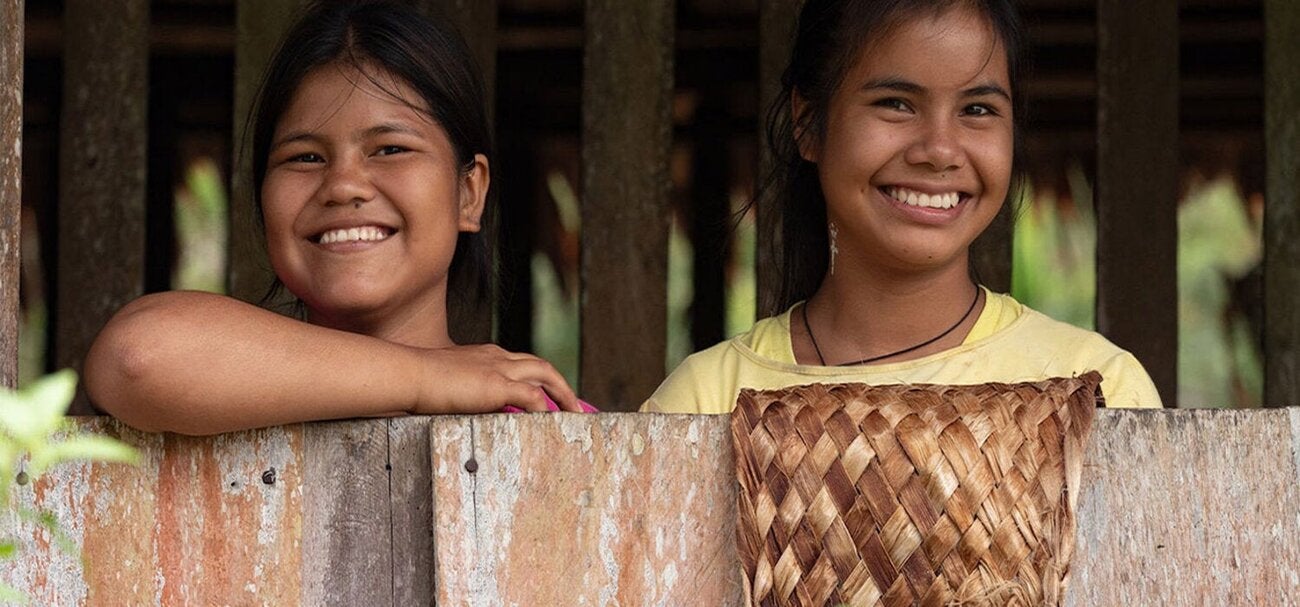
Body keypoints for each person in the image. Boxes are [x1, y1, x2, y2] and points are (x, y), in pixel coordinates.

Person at [86, 0, 588, 436]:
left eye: (390, 148)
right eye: (304, 157)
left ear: (468, 193)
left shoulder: (547, 420)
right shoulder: (209, 401)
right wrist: (425, 378)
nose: (344, 185)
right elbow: (138, 357)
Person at [644, 0, 1162, 414]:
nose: (939, 150)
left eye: (977, 109)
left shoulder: (1095, 390)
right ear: (807, 123)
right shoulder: (705, 401)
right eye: (896, 103)